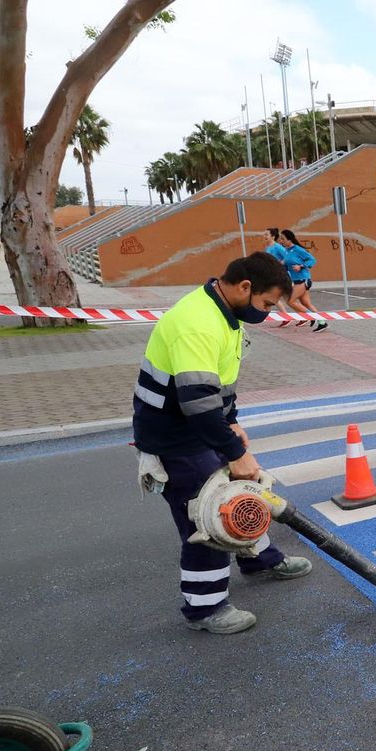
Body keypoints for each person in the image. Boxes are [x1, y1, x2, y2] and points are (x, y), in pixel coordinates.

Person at [132, 252, 313, 634]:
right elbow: (196, 401)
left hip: (198, 425)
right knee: (206, 515)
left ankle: (258, 559)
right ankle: (205, 609)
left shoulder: (223, 314)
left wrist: (231, 425)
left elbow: (217, 385)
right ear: (245, 287)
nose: (266, 313)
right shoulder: (198, 323)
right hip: (175, 435)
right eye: (265, 303)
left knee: (237, 494)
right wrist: (236, 453)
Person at [277, 228, 326, 332]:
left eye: (283, 239)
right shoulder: (287, 251)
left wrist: (301, 266)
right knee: (306, 304)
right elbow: (287, 265)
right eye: (280, 239)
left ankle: (311, 317)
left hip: (304, 280)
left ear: (290, 240)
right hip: (297, 281)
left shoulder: (298, 249)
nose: (281, 241)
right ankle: (323, 323)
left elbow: (312, 260)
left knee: (290, 301)